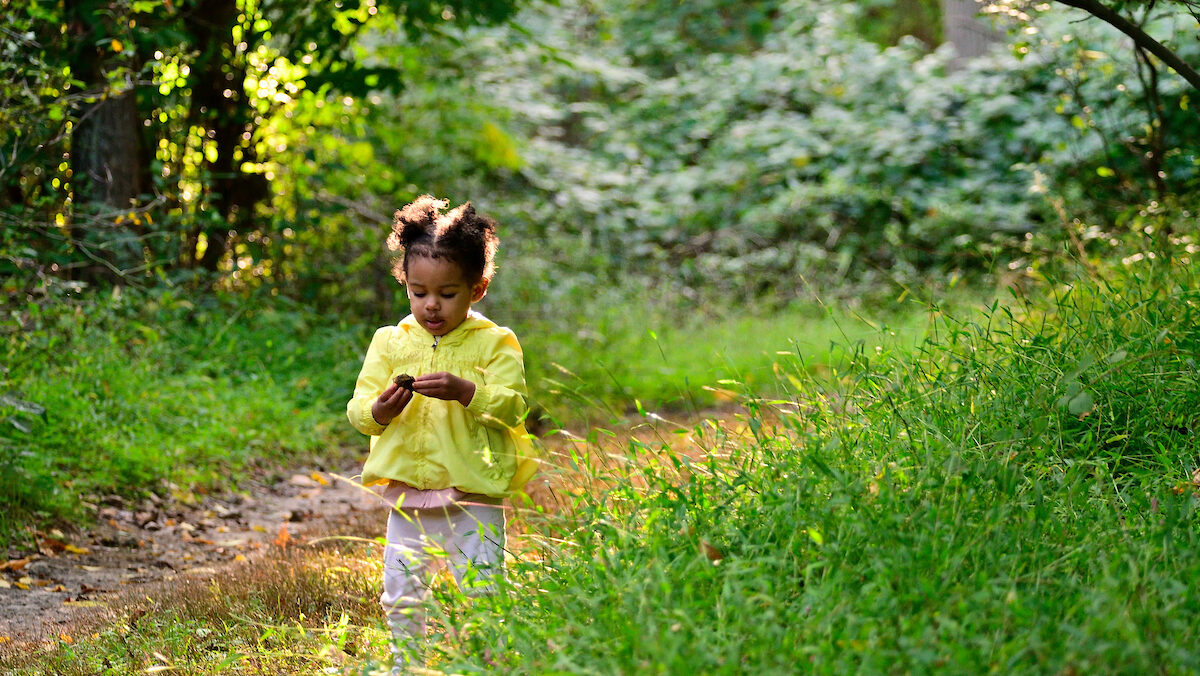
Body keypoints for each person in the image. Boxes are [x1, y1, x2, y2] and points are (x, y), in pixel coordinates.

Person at [346, 195, 535, 671]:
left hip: (474, 493)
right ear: (405, 285)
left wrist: (468, 391)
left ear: (477, 288)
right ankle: (405, 664)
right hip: (408, 494)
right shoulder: (390, 342)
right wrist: (380, 411)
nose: (431, 305)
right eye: (417, 292)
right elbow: (360, 412)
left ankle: (485, 663)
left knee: (482, 588)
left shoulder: (494, 342)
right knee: (401, 590)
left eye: (447, 293)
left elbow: (513, 407)